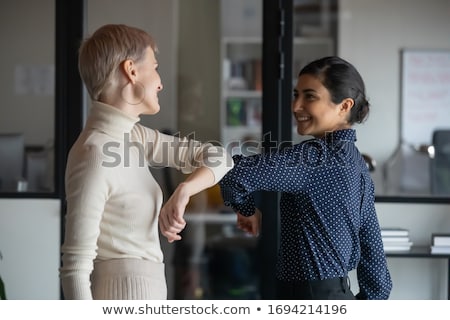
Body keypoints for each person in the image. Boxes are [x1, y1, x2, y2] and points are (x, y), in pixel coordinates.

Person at [59, 24, 233, 300]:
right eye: (155, 66)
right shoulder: (94, 152)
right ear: (131, 70)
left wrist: (184, 191)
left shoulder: (133, 135)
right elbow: (75, 269)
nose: (160, 81)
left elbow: (220, 158)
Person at [219, 56, 392, 300]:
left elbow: (232, 173)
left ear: (344, 106)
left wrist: (246, 209)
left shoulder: (315, 157)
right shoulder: (357, 164)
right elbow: (375, 266)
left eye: (309, 96)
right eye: (295, 94)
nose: (295, 105)